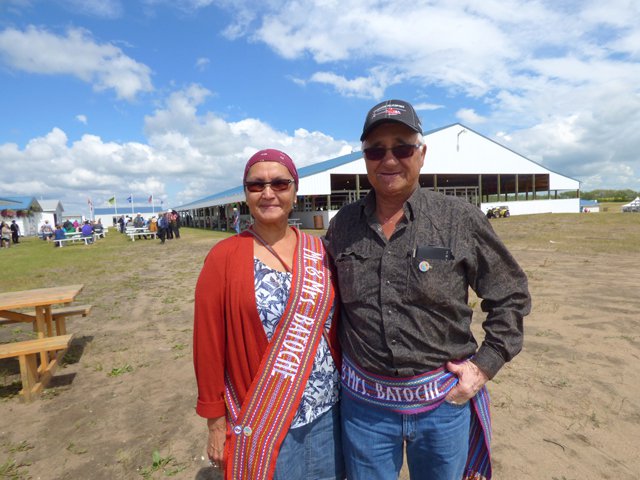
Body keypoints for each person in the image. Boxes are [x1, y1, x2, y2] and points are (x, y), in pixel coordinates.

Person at [324, 99, 531, 480]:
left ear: (422, 153)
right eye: (376, 150)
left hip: (442, 405)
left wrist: (485, 366)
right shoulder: (342, 225)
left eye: (402, 146)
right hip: (365, 409)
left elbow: (510, 293)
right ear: (365, 158)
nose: (389, 160)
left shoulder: (459, 219)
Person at [193, 149, 344, 480]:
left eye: (279, 183)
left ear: (294, 189)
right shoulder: (223, 258)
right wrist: (215, 420)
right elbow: (208, 343)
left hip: (327, 412)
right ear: (246, 194)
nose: (268, 193)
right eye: (256, 185)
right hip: (265, 414)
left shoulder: (322, 251)